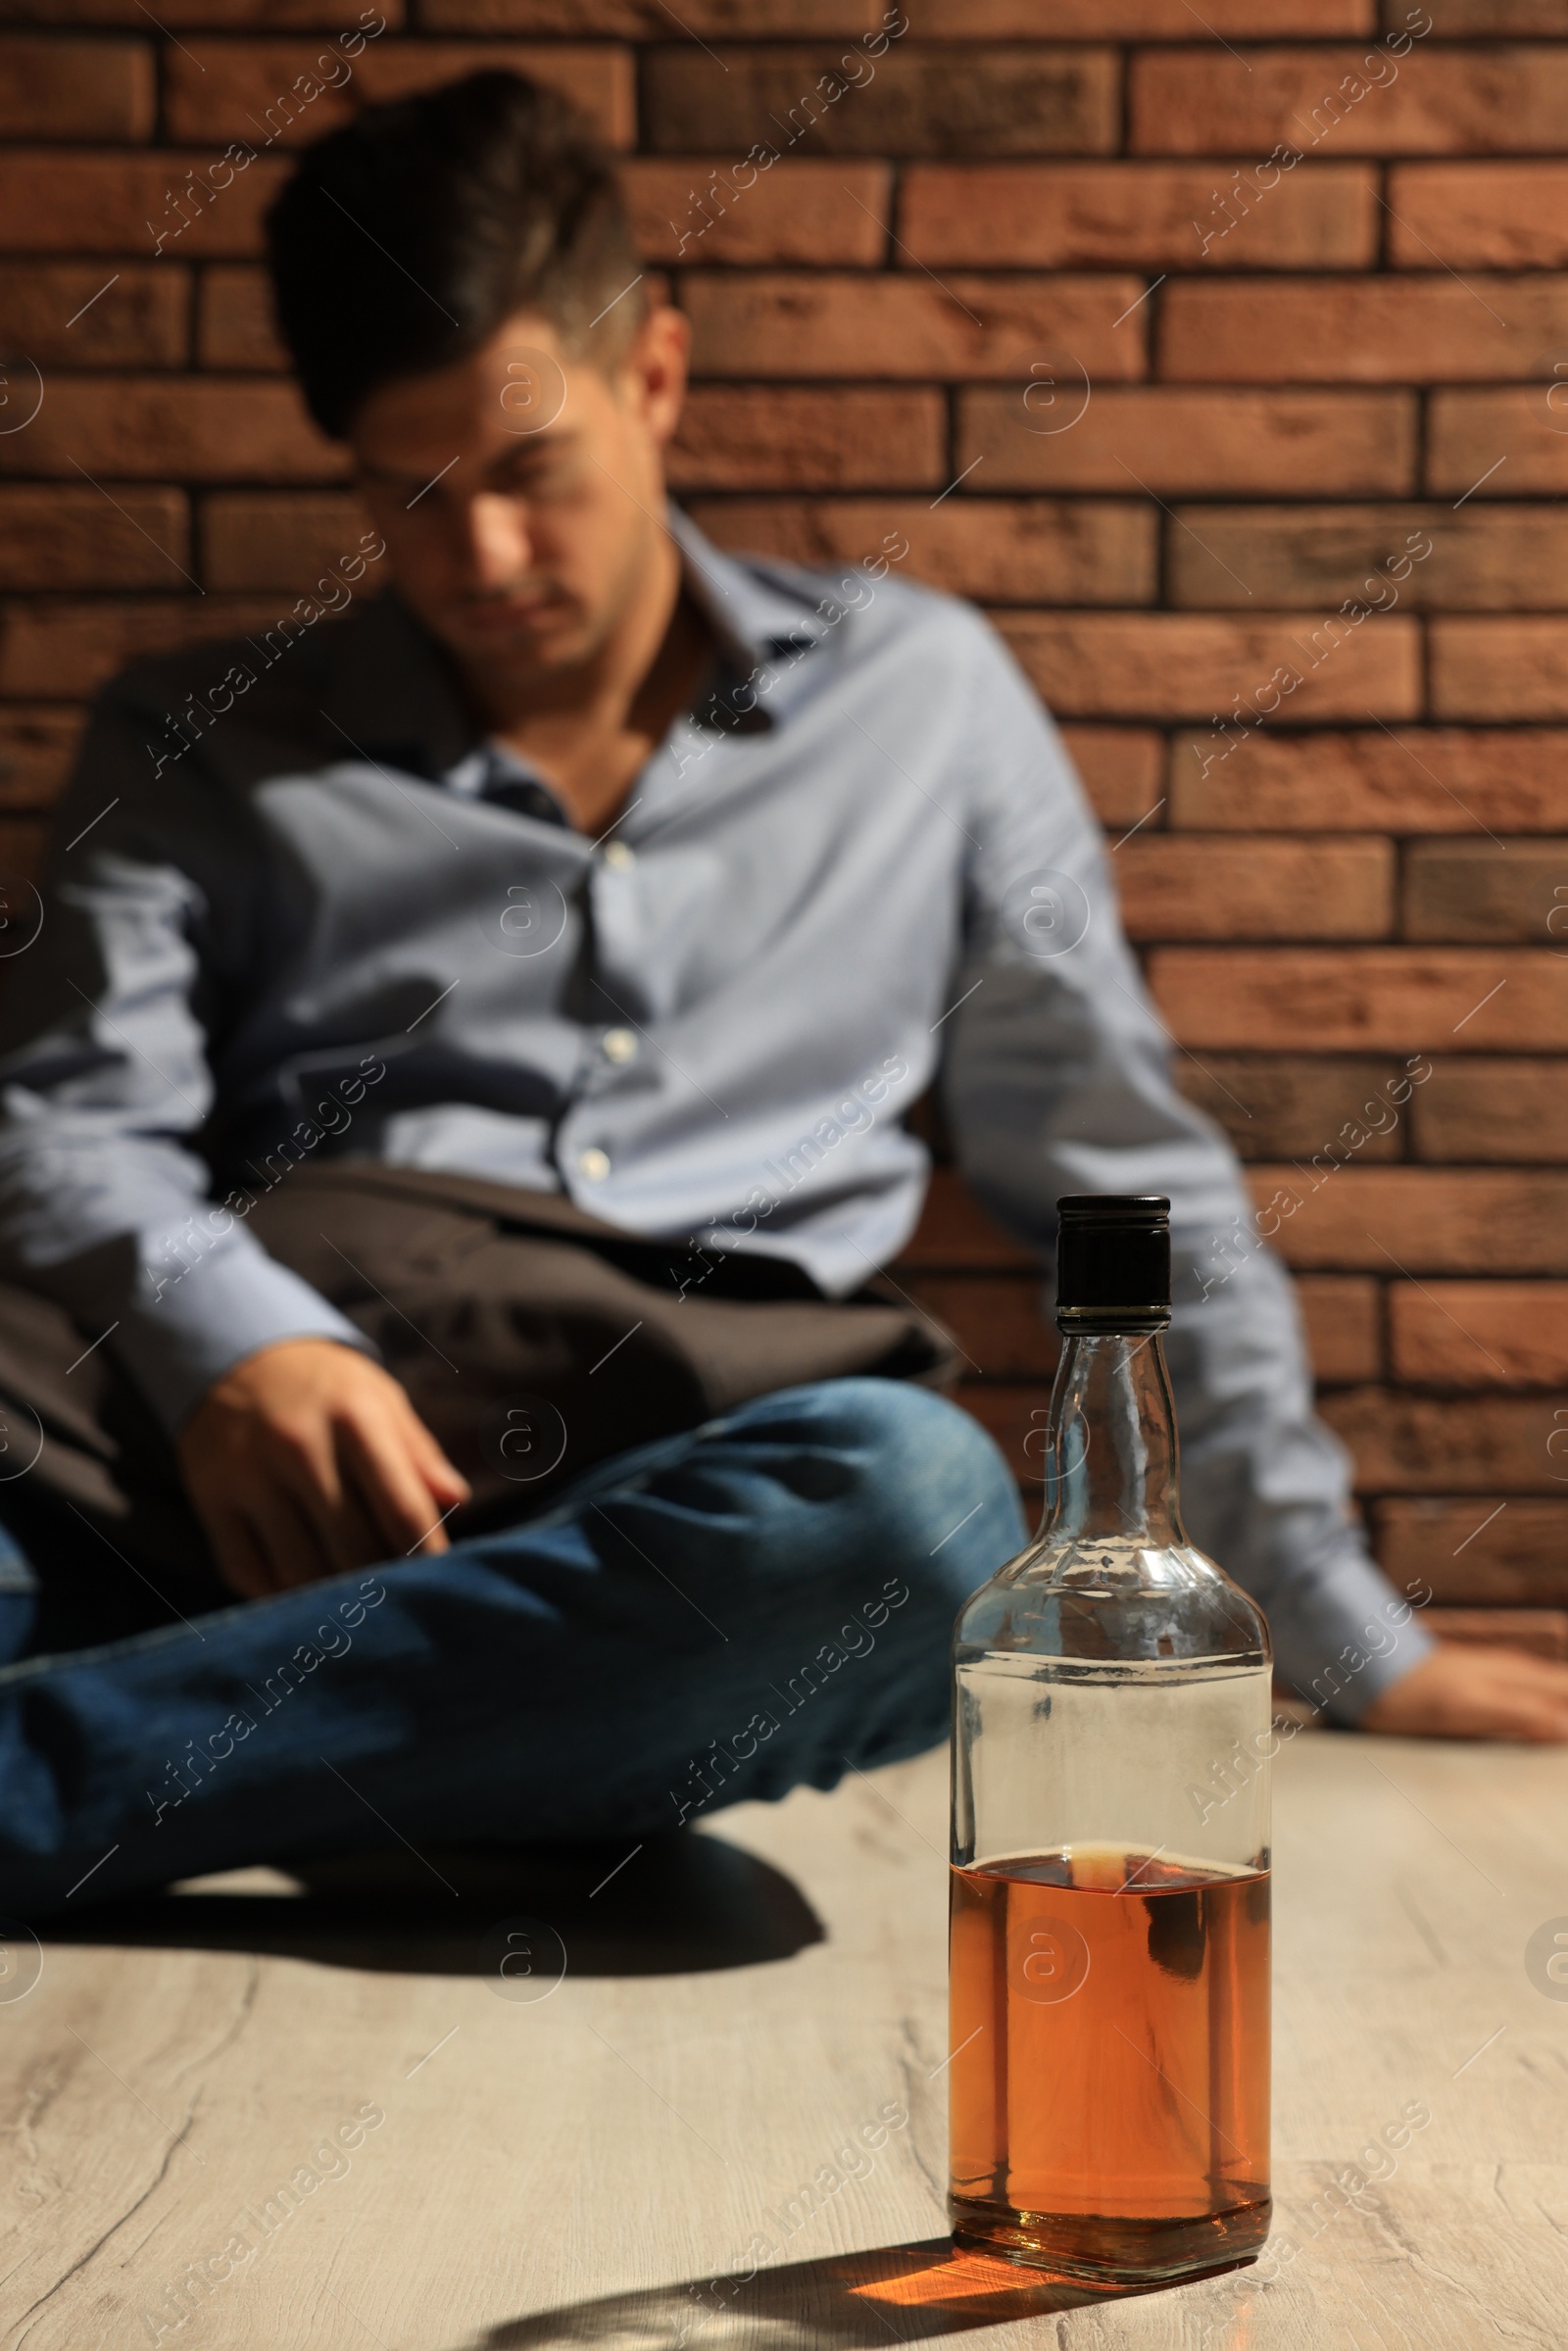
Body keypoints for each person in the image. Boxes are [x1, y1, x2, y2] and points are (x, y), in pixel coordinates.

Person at [0, 73, 1558, 1911]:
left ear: (655, 374)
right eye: (407, 498)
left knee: (917, 1521)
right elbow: (62, 1120)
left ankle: (102, 1776)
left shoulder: (928, 704)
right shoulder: (202, 732)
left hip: (687, 1482)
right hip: (229, 1462)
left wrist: (1351, 1635)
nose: (480, 559)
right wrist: (229, 1335)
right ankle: (473, 1748)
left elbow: (1123, 1172)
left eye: (527, 473)